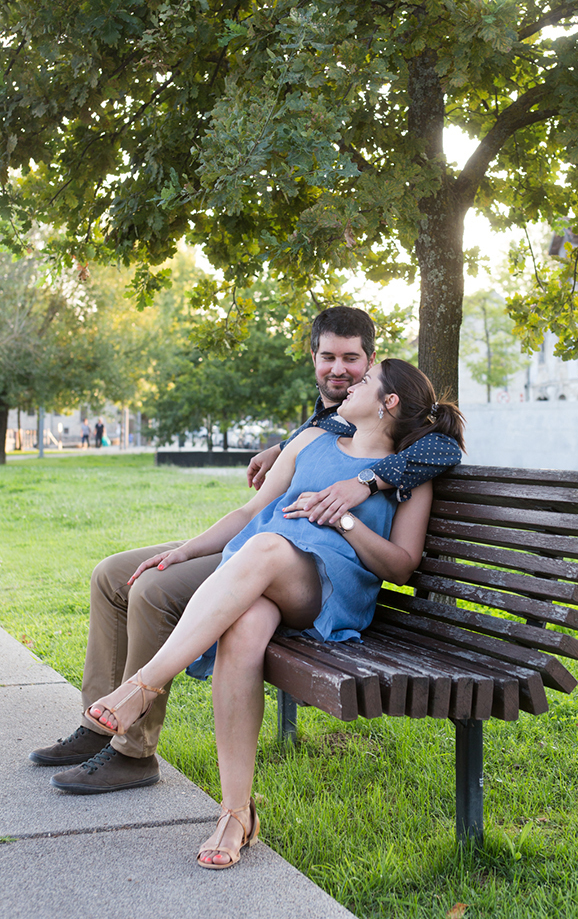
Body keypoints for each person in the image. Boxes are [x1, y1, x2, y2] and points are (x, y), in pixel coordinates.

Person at [30, 307, 462, 793]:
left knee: (153, 590)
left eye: (352, 360)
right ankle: (97, 726)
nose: (340, 370)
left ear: (373, 366)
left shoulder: (398, 446)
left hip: (295, 561)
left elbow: (443, 450)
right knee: (112, 574)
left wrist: (364, 484)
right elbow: (255, 506)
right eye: (328, 356)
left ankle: (132, 747)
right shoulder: (323, 424)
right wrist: (190, 546)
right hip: (260, 537)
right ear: (313, 358)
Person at [83, 358, 465, 869]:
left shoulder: (411, 471)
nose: (351, 381)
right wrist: (187, 550)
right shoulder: (314, 440)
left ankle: (143, 685)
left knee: (263, 548)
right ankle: (235, 815)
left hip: (326, 586)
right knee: (243, 629)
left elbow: (401, 565)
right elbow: (248, 512)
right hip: (257, 571)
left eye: (366, 379)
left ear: (388, 402)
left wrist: (346, 519)